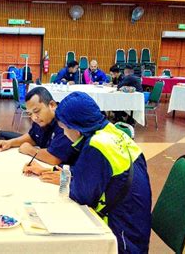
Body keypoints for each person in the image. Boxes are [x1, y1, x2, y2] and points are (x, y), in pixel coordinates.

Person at [24, 92, 152, 253]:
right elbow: (88, 173)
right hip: (136, 225)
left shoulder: (97, 146)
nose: (63, 133)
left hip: (120, 236)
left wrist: (63, 180)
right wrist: (48, 171)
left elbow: (82, 195)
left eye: (64, 128)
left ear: (76, 127)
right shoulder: (111, 132)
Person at [0, 87, 78, 184]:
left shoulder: (64, 122)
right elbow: (33, 137)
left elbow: (54, 158)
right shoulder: (41, 120)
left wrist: (30, 150)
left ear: (52, 105)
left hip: (71, 176)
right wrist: (10, 142)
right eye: (30, 114)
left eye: (37, 111)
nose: (34, 118)